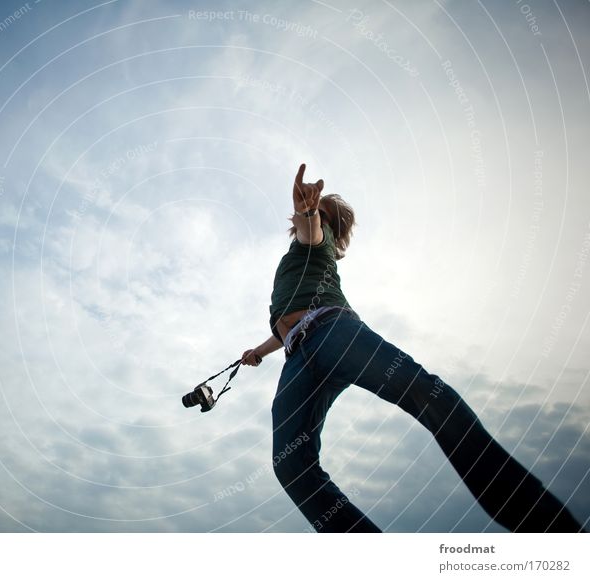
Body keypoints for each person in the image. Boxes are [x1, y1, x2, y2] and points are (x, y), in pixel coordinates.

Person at [240, 163, 586, 533]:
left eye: (323, 215)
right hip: (298, 357)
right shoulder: (292, 260)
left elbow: (312, 233)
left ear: (328, 226)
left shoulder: (316, 240)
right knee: (289, 465)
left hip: (334, 333)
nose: (315, 217)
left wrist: (311, 212)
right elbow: (287, 324)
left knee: (422, 390)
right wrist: (260, 351)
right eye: (313, 211)